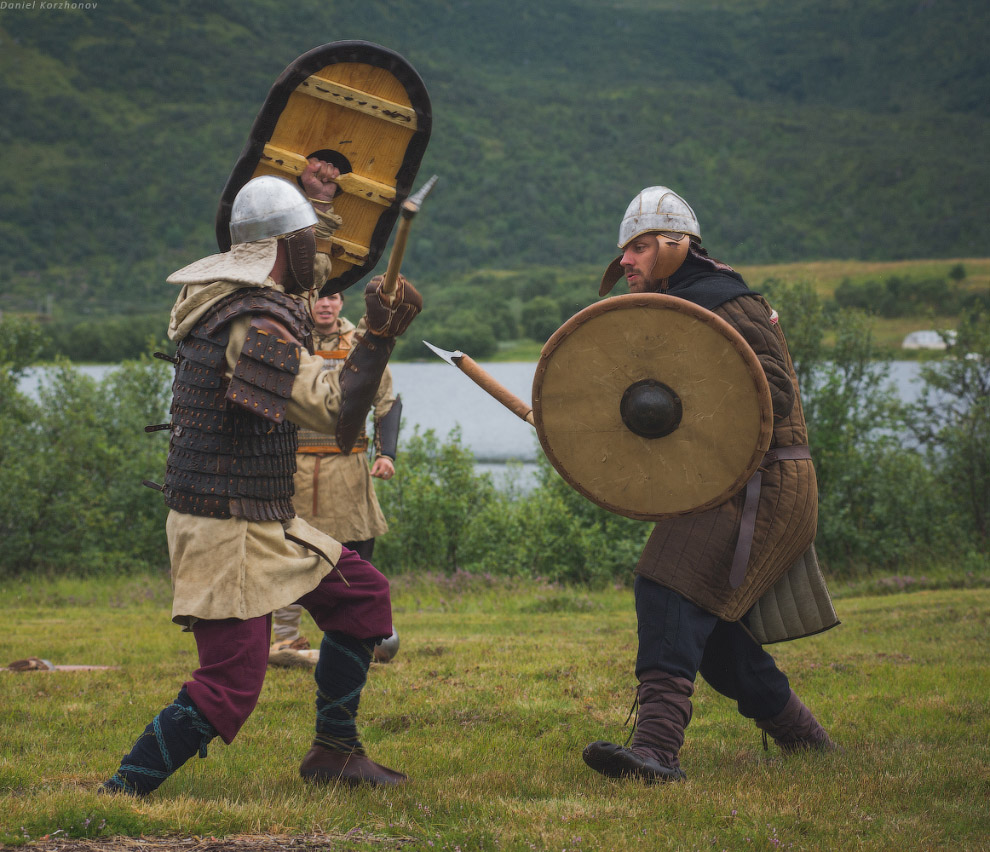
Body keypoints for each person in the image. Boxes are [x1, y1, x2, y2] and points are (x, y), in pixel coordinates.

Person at [100, 160, 422, 796]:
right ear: (284, 248)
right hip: (226, 529)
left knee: (362, 599)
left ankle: (334, 753)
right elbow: (333, 410)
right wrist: (379, 336)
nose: (319, 257)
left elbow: (312, 270)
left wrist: (321, 203)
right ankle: (123, 792)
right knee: (231, 683)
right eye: (309, 241)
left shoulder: (240, 295)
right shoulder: (257, 321)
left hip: (259, 513)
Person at [583, 186, 836, 784]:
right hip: (730, 480)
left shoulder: (726, 302)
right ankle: (806, 740)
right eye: (626, 250)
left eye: (641, 247)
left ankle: (657, 752)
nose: (627, 261)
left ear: (678, 244)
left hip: (763, 481)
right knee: (710, 629)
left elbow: (766, 401)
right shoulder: (687, 302)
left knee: (666, 586)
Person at [270, 287, 402, 657]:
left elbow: (386, 401)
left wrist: (387, 454)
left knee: (354, 552)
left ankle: (358, 635)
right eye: (318, 296)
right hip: (292, 467)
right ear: (306, 301)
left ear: (342, 303)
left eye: (333, 297)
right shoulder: (287, 338)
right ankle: (286, 637)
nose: (325, 304)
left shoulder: (360, 345)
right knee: (289, 551)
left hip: (347, 465)